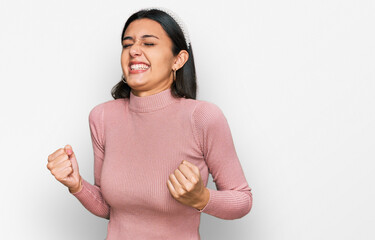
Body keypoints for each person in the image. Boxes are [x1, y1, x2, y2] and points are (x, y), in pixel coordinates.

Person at [47, 7, 252, 239]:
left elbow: (243, 199)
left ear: (178, 59)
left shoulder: (202, 117)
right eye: (127, 44)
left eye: (149, 43)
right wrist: (76, 185)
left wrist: (202, 198)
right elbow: (110, 209)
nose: (134, 50)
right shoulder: (102, 117)